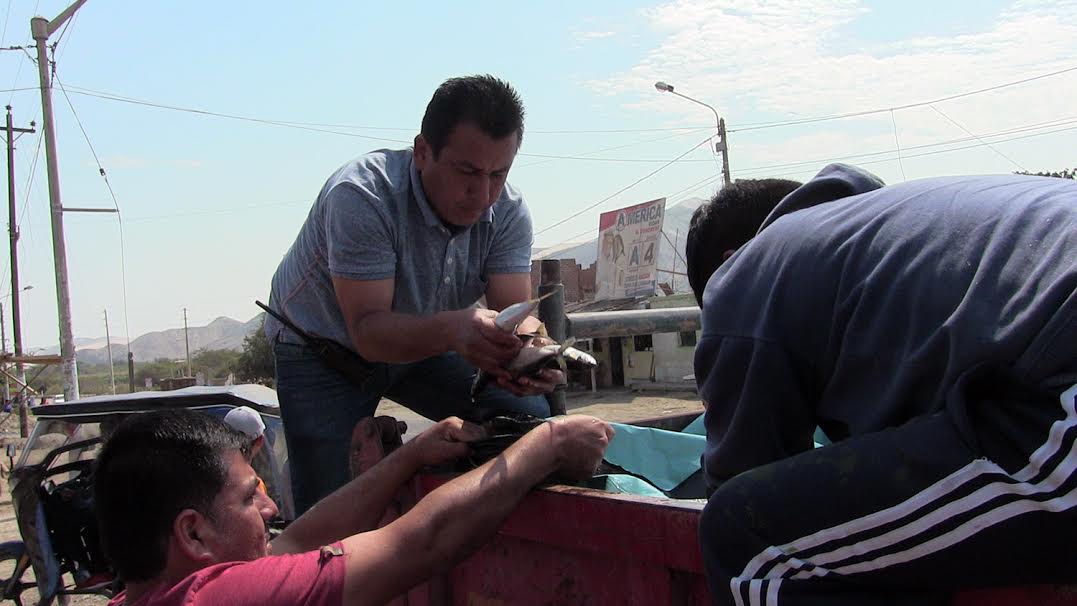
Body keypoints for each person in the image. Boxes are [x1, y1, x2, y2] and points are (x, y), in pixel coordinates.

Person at [685, 164, 1077, 605]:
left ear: (727, 262)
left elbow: (744, 472)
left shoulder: (748, 274)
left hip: (1062, 398)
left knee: (748, 542)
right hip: (1047, 374)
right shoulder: (900, 223)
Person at [265, 74, 562, 514]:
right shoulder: (362, 196)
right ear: (423, 152)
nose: (482, 194)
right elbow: (368, 332)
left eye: (498, 174)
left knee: (527, 423)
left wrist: (536, 354)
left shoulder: (509, 212)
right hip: (322, 350)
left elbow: (513, 316)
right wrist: (456, 330)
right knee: (327, 511)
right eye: (467, 172)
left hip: (429, 338)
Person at [95, 408, 613, 606]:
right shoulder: (217, 599)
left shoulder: (143, 595)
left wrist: (409, 457)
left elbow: (297, 543)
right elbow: (417, 543)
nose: (272, 507)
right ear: (193, 534)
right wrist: (549, 443)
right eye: (251, 497)